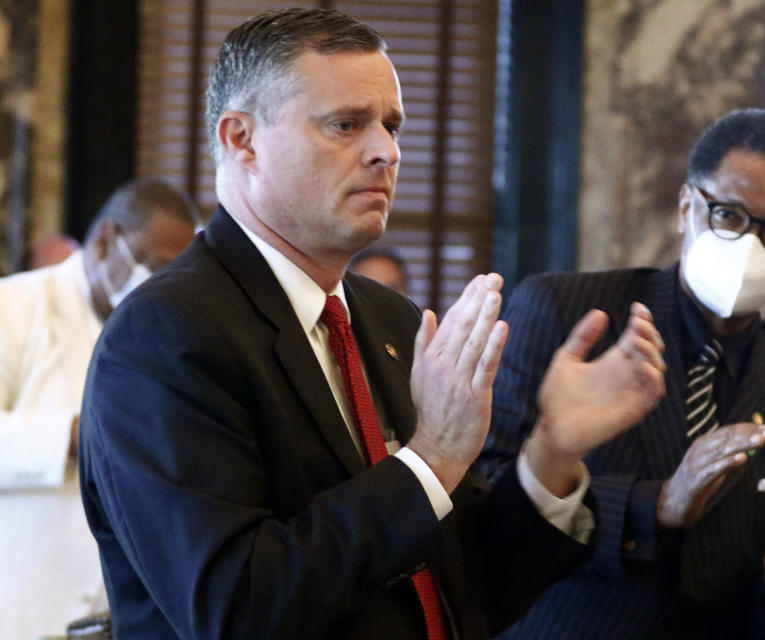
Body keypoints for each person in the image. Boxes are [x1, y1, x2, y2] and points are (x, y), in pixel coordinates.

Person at [78, 9, 668, 639]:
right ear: (241, 140)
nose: (386, 151)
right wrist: (432, 457)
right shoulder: (164, 332)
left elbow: (465, 592)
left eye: (391, 125)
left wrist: (552, 452)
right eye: (346, 124)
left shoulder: (389, 318)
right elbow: (236, 607)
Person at [481, 109, 765, 639]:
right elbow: (484, 501)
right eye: (728, 215)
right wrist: (654, 505)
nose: (748, 244)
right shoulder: (569, 315)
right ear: (686, 206)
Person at [0, 177, 198, 640]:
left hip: (124, 609)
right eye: (154, 267)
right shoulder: (15, 305)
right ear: (106, 241)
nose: (161, 286)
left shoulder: (172, 335)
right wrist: (77, 435)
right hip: (22, 595)